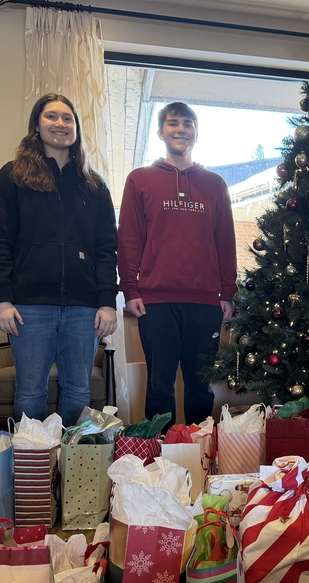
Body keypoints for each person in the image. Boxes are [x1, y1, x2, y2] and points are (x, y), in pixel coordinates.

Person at [0, 93, 118, 427]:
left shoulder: (94, 185)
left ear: (76, 128)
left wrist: (107, 302)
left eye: (67, 118)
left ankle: (73, 472)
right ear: (37, 125)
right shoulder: (13, 177)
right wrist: (2, 298)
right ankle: (35, 471)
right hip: (29, 307)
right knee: (30, 392)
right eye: (51, 117)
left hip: (83, 308)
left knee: (78, 392)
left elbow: (106, 248)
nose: (60, 124)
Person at [118, 102, 237, 429]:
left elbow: (225, 241)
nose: (180, 129)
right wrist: (130, 289)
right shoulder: (140, 180)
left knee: (201, 386)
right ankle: (159, 459)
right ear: (161, 132)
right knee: (160, 386)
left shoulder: (214, 184)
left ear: (195, 133)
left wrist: (228, 291)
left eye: (187, 123)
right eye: (173, 123)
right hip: (156, 302)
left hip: (205, 302)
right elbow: (129, 240)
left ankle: (200, 454)